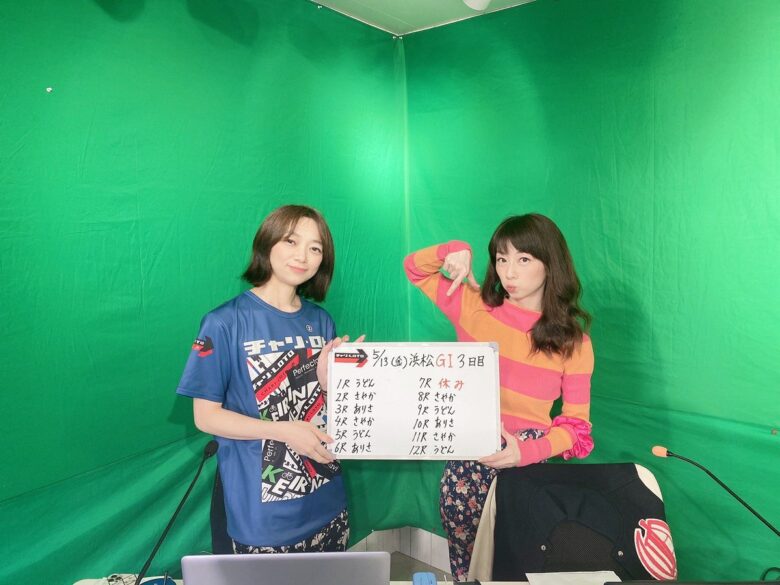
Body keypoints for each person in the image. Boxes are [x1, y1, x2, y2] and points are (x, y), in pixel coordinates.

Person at [404, 213, 595, 580]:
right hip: (467, 465)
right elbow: (414, 268)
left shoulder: (575, 343)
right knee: (468, 570)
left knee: (521, 569)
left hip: (527, 469)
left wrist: (527, 451)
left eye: (523, 259)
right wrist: (453, 250)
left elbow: (576, 428)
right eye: (502, 258)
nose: (509, 272)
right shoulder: (472, 306)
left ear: (550, 264)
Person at [176, 204, 358, 553]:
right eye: (291, 241)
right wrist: (283, 431)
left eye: (315, 248)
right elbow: (206, 417)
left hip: (329, 501)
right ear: (268, 243)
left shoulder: (321, 321)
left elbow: (326, 409)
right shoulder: (223, 323)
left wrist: (330, 382)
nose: (302, 256)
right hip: (263, 520)